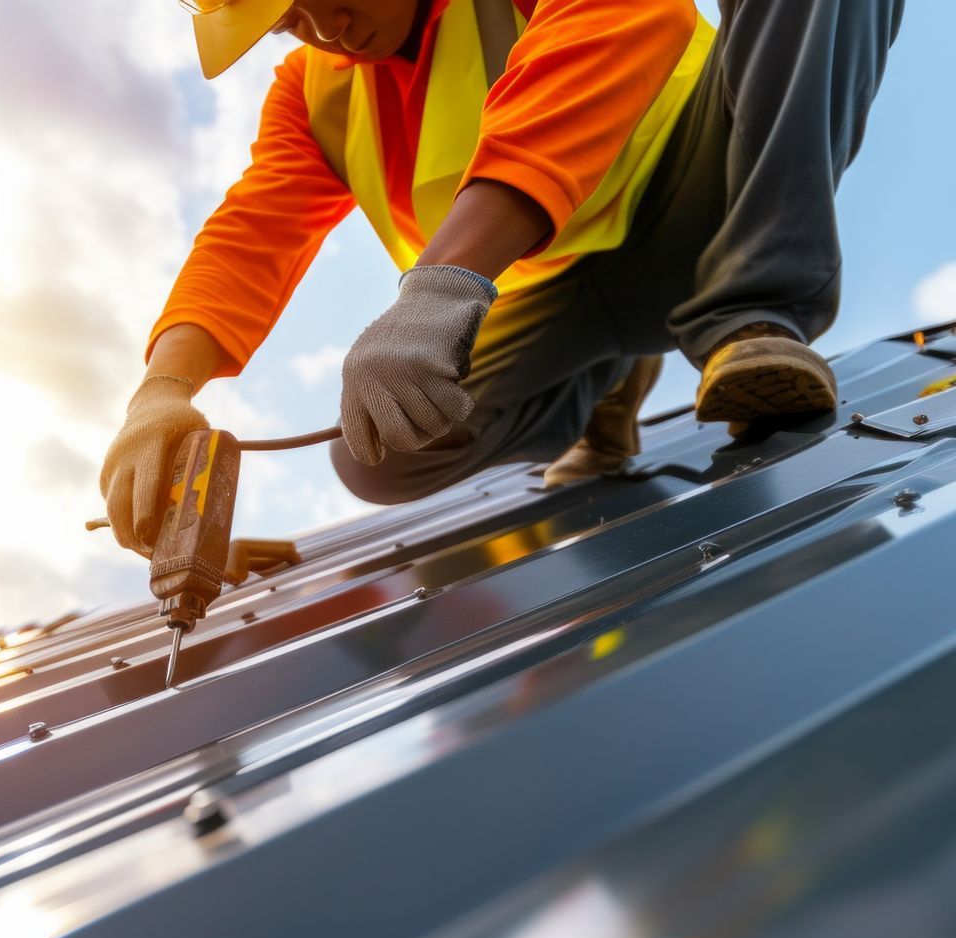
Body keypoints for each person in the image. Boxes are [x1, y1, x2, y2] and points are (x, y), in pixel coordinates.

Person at [100, 0, 903, 556]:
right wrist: (163, 391)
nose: (323, 27)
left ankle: (754, 318)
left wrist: (442, 283)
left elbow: (623, 17)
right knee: (378, 448)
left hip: (707, 197)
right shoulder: (312, 97)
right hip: (569, 301)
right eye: (287, 20)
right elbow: (250, 234)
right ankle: (602, 382)